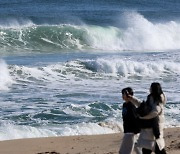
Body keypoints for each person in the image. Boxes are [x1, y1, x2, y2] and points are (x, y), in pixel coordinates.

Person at [128, 82, 167, 154]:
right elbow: (143, 106)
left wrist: (142, 118)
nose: (149, 89)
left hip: (154, 129)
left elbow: (155, 112)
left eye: (150, 87)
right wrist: (132, 99)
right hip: (151, 129)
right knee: (150, 149)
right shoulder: (151, 98)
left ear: (153, 89)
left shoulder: (157, 100)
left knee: (156, 148)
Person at [119, 87, 141, 154]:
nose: (122, 96)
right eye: (122, 94)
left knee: (124, 151)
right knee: (137, 149)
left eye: (124, 94)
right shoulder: (125, 105)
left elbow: (135, 118)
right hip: (128, 130)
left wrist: (136, 131)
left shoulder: (132, 105)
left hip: (131, 131)